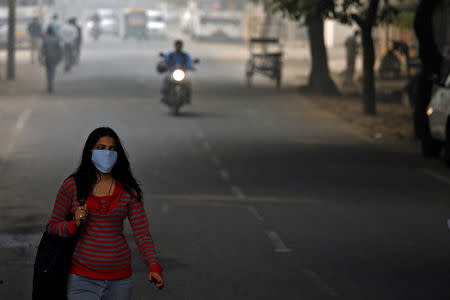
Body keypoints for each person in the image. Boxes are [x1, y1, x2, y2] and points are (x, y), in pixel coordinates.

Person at [46, 127, 164, 300]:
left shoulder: (128, 191)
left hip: (119, 281)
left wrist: (154, 266)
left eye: (112, 149)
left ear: (118, 154)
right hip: (81, 279)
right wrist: (73, 224)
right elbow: (52, 226)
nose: (107, 153)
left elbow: (142, 234)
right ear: (90, 151)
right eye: (101, 148)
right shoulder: (72, 186)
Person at [41, 26, 62, 93]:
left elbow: (42, 50)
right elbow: (59, 49)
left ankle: (49, 85)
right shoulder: (56, 39)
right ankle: (51, 86)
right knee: (52, 72)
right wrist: (60, 57)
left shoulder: (45, 39)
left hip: (47, 58)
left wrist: (41, 58)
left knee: (48, 73)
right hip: (54, 58)